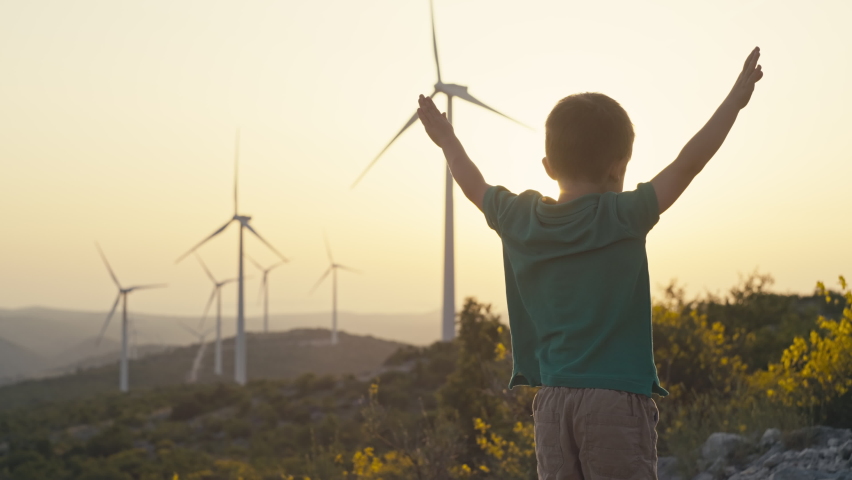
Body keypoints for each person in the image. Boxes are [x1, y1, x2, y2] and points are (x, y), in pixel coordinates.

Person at [416, 47, 764, 479]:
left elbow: (472, 185)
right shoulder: (622, 216)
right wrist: (734, 102)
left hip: (552, 401)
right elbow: (688, 164)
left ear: (546, 166)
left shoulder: (517, 217)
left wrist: (447, 140)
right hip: (615, 400)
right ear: (619, 167)